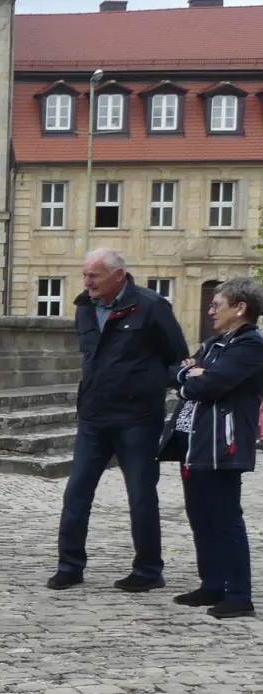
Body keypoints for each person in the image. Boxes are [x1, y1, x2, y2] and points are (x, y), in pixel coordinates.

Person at [50, 249, 188, 592]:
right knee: (77, 492)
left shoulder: (151, 306)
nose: (87, 282)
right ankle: (70, 565)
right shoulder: (84, 306)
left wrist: (155, 386)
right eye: (85, 274)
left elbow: (177, 357)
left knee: (141, 496)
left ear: (119, 275)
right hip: (94, 418)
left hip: (138, 419)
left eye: (94, 276)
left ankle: (148, 570)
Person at [160, 277, 263, 620]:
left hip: (224, 442)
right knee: (200, 515)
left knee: (225, 518)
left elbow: (213, 384)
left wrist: (194, 379)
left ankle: (239, 594)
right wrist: (192, 375)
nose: (210, 310)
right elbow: (179, 372)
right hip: (194, 440)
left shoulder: (250, 344)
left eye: (217, 304)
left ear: (240, 308)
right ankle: (213, 583)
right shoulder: (214, 344)